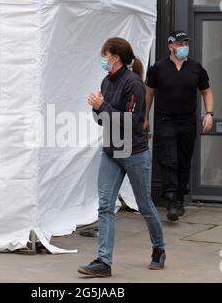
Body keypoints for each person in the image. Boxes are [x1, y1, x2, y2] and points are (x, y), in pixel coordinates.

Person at [77, 37, 166, 278]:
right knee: (105, 206)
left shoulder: (134, 84)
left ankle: (159, 248)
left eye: (104, 55)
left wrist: (102, 106)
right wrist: (97, 108)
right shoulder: (106, 82)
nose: (102, 60)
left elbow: (131, 121)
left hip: (134, 152)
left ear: (115, 57)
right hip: (110, 152)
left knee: (144, 205)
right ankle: (103, 262)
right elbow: (102, 120)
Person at [144, 31, 214, 222]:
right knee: (168, 160)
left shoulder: (196, 68)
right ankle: (171, 201)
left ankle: (180, 197)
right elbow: (148, 94)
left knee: (183, 160)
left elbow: (206, 92)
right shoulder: (158, 68)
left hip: (187, 121)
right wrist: (145, 118)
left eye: (186, 43)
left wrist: (209, 113)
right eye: (180, 43)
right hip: (164, 120)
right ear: (171, 46)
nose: (184, 46)